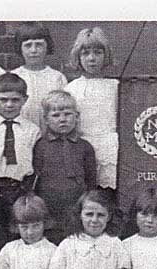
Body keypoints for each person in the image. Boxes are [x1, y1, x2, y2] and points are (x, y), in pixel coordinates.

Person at [0, 72, 40, 248]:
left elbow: (35, 163)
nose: (9, 104)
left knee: (17, 232)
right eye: (3, 100)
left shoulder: (32, 131)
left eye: (15, 99)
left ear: (24, 99)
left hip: (18, 188)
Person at [33, 90, 97, 245]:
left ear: (77, 116)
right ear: (46, 120)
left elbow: (91, 180)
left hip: (76, 204)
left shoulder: (85, 147)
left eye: (67, 114)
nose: (62, 119)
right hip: (49, 205)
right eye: (56, 115)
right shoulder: (41, 146)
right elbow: (35, 176)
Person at [64, 28, 119, 191]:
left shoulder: (115, 86)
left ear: (105, 55)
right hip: (81, 148)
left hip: (109, 147)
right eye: (85, 53)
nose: (92, 58)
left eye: (97, 53)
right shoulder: (71, 89)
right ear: (78, 57)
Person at [11, 22, 68, 126]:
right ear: (20, 48)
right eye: (28, 45)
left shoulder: (57, 78)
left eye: (39, 45)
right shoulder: (13, 76)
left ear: (47, 47)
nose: (34, 50)